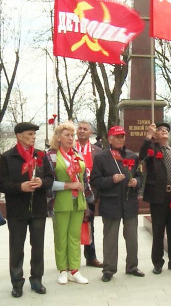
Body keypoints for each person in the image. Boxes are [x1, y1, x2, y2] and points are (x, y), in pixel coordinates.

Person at [0, 122, 54, 297]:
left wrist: (42, 183)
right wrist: (19, 187)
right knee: (17, 247)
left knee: (37, 246)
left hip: (38, 208)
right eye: (30, 134)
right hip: (17, 210)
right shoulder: (7, 157)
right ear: (19, 135)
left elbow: (50, 178)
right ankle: (17, 282)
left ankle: (37, 280)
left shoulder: (41, 155)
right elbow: (2, 184)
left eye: (34, 135)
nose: (33, 137)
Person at [90, 126, 144, 281]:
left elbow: (140, 176)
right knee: (110, 239)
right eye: (117, 136)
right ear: (110, 139)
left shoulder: (132, 156)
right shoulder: (101, 157)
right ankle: (108, 269)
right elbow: (94, 180)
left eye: (123, 136)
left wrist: (137, 182)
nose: (121, 139)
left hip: (129, 202)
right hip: (111, 203)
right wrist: (111, 180)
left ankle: (132, 266)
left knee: (132, 237)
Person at [46, 122, 92, 285]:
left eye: (72, 136)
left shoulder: (77, 154)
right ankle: (63, 270)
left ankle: (74, 269)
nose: (71, 138)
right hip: (60, 202)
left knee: (74, 237)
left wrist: (87, 198)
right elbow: (47, 182)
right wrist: (68, 185)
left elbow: (84, 180)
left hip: (78, 201)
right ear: (58, 138)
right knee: (61, 237)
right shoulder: (50, 156)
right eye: (67, 135)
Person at [139, 122, 171, 274]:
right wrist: (148, 136)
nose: (164, 131)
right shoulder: (152, 149)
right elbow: (141, 155)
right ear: (156, 134)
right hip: (158, 196)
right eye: (160, 130)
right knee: (158, 231)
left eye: (166, 130)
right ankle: (157, 263)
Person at [76, 121, 103, 268]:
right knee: (72, 227)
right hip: (72, 193)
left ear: (90, 133)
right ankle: (71, 259)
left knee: (89, 226)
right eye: (79, 128)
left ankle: (91, 257)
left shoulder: (97, 151)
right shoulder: (69, 148)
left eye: (85, 129)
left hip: (90, 195)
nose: (81, 131)